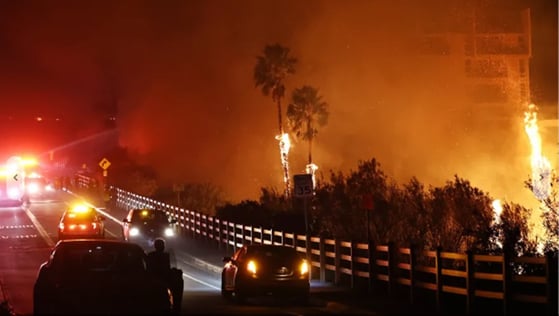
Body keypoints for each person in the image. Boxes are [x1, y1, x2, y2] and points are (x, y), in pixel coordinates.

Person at [146, 238, 183, 314]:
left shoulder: (150, 255)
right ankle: (176, 306)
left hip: (153, 278)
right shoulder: (166, 255)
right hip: (162, 278)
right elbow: (172, 266)